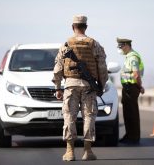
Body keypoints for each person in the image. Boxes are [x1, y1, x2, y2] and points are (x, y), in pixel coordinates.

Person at [52, 15, 108, 161]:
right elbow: (102, 68)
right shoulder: (94, 44)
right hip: (89, 86)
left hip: (70, 85)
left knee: (69, 116)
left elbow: (58, 68)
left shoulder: (66, 44)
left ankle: (70, 152)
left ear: (73, 27)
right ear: (86, 27)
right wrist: (101, 85)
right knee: (89, 116)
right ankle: (88, 152)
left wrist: (58, 87)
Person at [117, 38, 145, 144]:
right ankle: (129, 135)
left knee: (131, 113)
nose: (120, 49)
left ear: (126, 45)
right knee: (128, 113)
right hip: (128, 88)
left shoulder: (133, 57)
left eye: (121, 46)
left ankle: (133, 137)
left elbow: (136, 74)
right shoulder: (129, 57)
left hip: (131, 88)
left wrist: (140, 86)